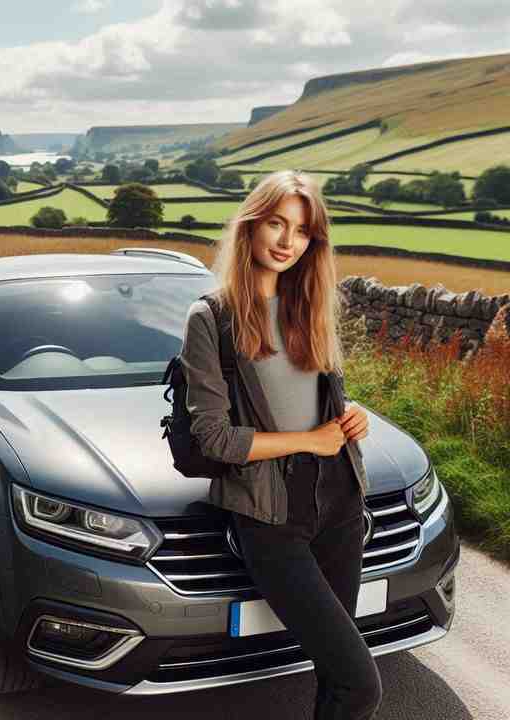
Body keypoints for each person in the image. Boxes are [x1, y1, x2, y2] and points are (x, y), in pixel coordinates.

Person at [179, 170, 381, 719]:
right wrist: (309, 441)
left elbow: (314, 402)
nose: (288, 241)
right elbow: (213, 438)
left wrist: (350, 416)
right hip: (272, 520)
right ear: (252, 225)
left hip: (340, 503)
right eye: (277, 223)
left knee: (337, 677)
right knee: (363, 685)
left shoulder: (310, 305)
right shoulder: (211, 318)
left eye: (303, 231)